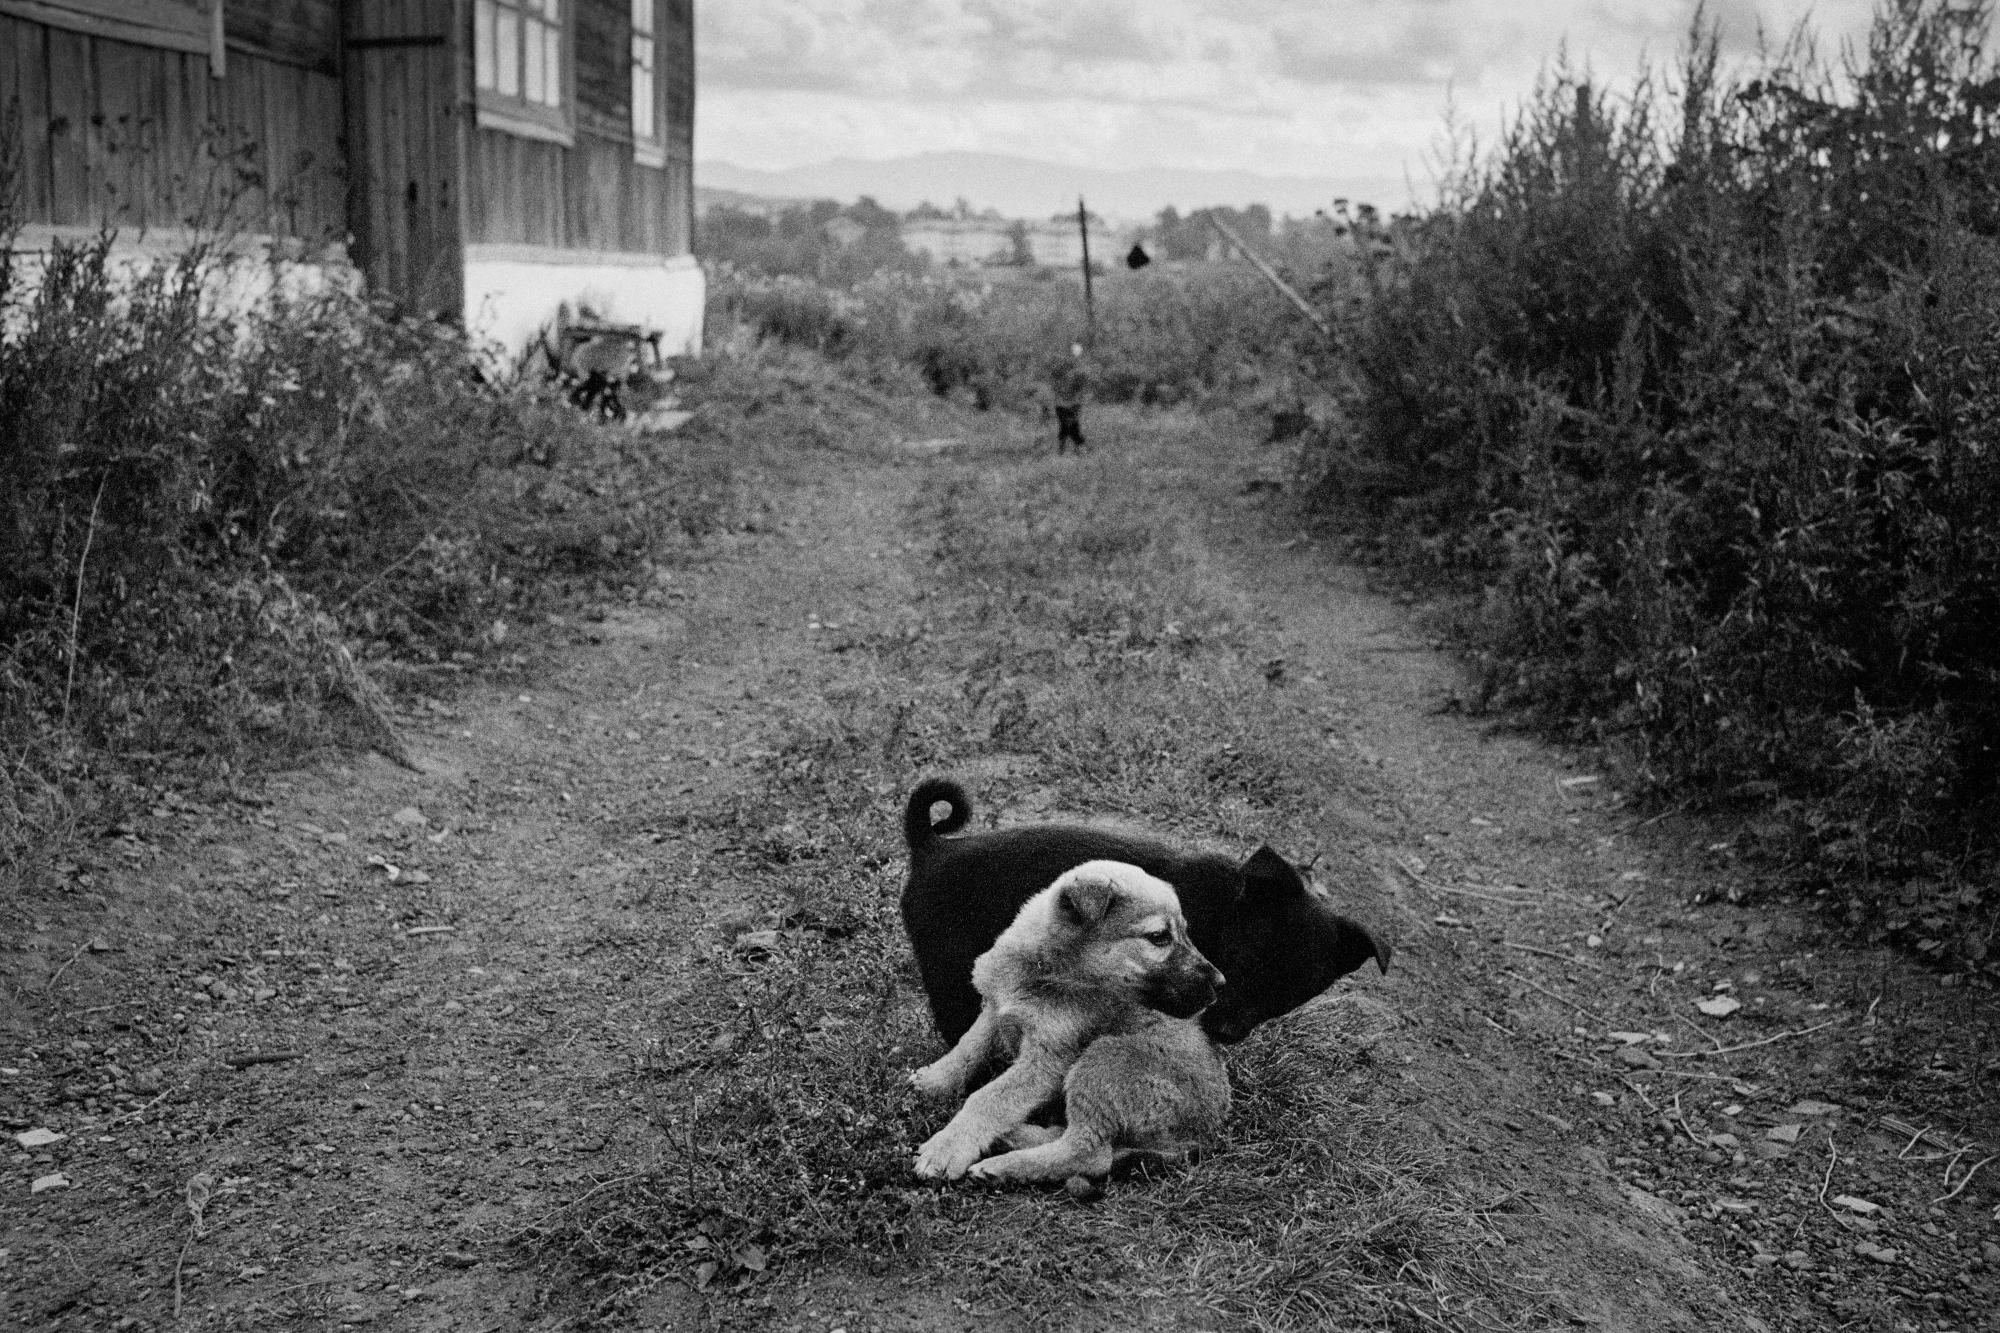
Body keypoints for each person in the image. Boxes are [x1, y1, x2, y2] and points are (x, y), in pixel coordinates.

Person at [1051, 342, 1089, 454]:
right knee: (1064, 426)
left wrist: (1078, 401)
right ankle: (1067, 450)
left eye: (1076, 353)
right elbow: (1055, 382)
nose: (1073, 356)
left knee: (1073, 426)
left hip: (1074, 403)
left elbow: (1081, 389)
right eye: (1072, 353)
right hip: (1061, 402)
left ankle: (1077, 448)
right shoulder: (1060, 368)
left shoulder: (1081, 371)